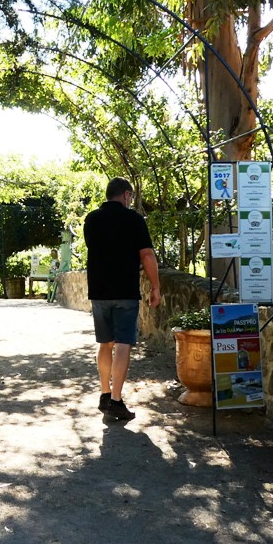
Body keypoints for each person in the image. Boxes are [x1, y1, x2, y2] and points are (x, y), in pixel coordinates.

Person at [83, 177, 161, 423]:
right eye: (131, 196)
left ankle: (105, 394)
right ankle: (116, 401)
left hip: (99, 291)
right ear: (126, 195)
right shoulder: (134, 220)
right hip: (125, 291)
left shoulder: (91, 220)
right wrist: (156, 287)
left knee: (105, 343)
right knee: (123, 344)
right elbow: (147, 254)